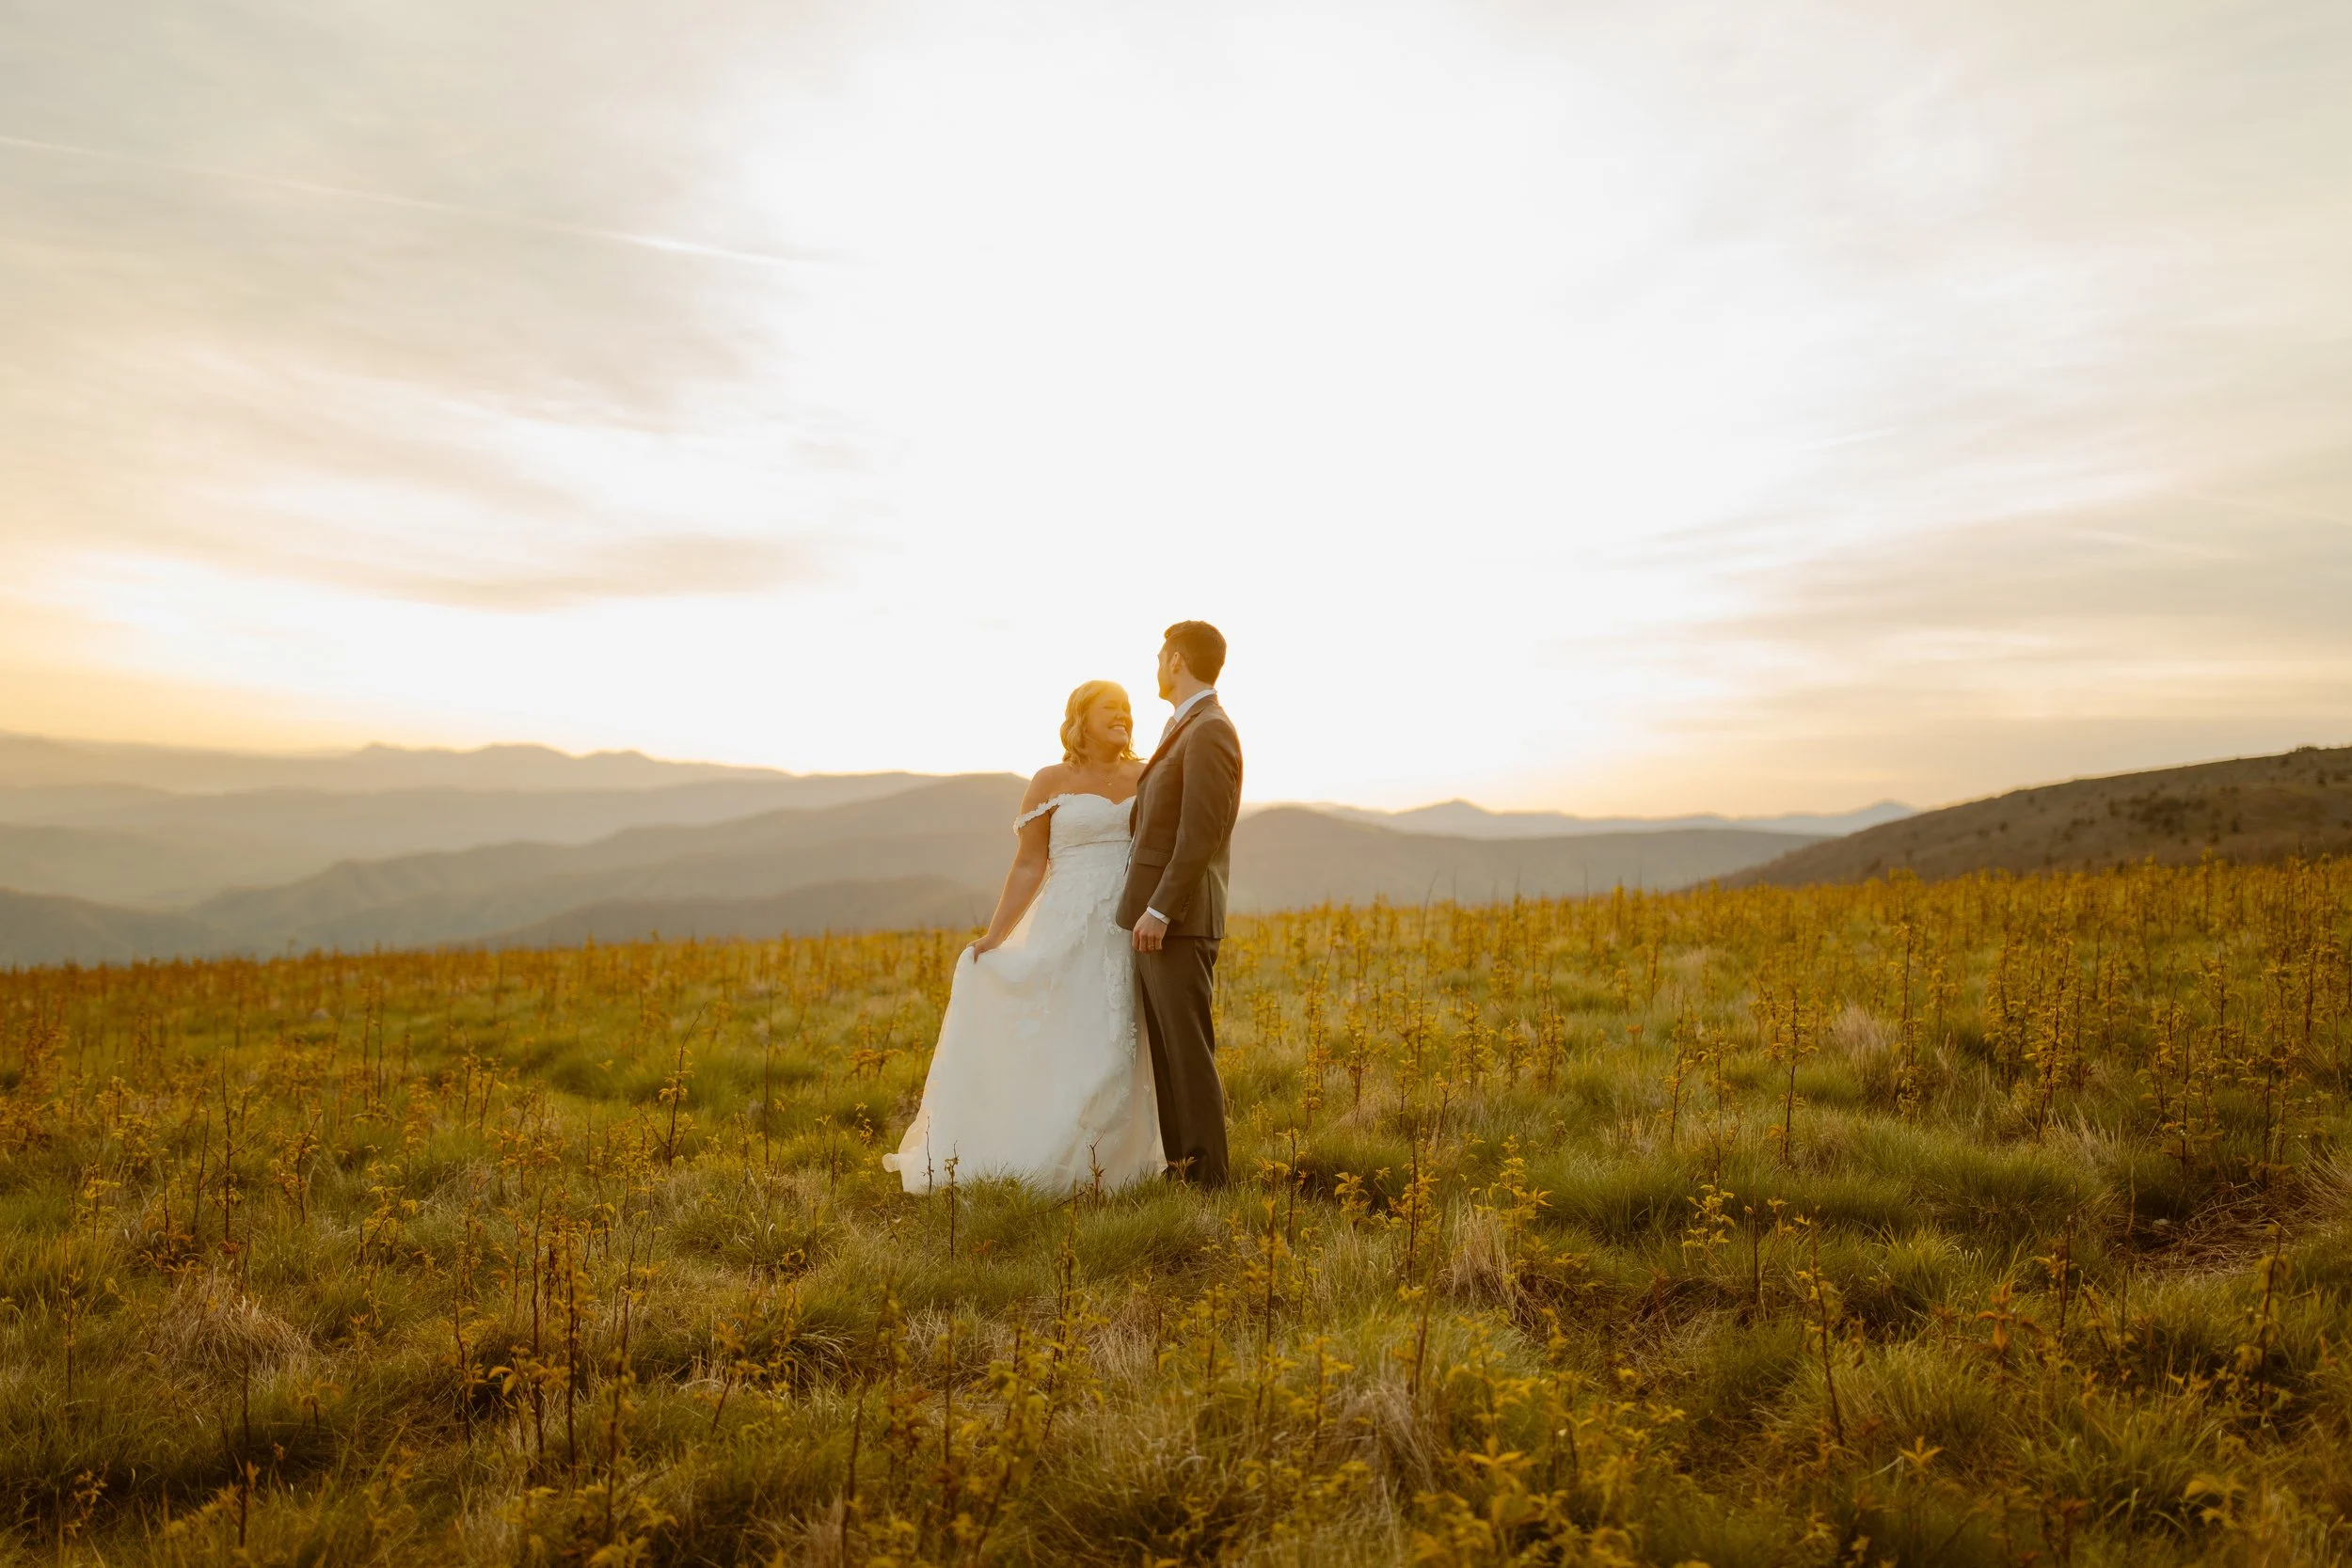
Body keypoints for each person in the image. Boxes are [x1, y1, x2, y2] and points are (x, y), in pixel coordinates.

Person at [882, 680, 1164, 1194]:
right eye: (1110, 708)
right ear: (1081, 717)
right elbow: (1030, 863)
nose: (1123, 715)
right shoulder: (1051, 779)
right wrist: (995, 936)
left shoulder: (1146, 774)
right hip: (1067, 920)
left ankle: (1109, 1165)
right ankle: (1043, 1155)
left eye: (1128, 708)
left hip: (1125, 922)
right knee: (1062, 1034)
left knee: (1113, 1038)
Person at [1117, 621, 1242, 1186]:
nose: (1155, 666)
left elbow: (1200, 836)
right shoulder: (1185, 726)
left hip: (1180, 921)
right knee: (1167, 1051)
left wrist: (1162, 909)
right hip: (1161, 918)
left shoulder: (1210, 730)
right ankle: (1182, 1168)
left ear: (1176, 662)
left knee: (1188, 1052)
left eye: (1160, 656)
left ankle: (1209, 1180)